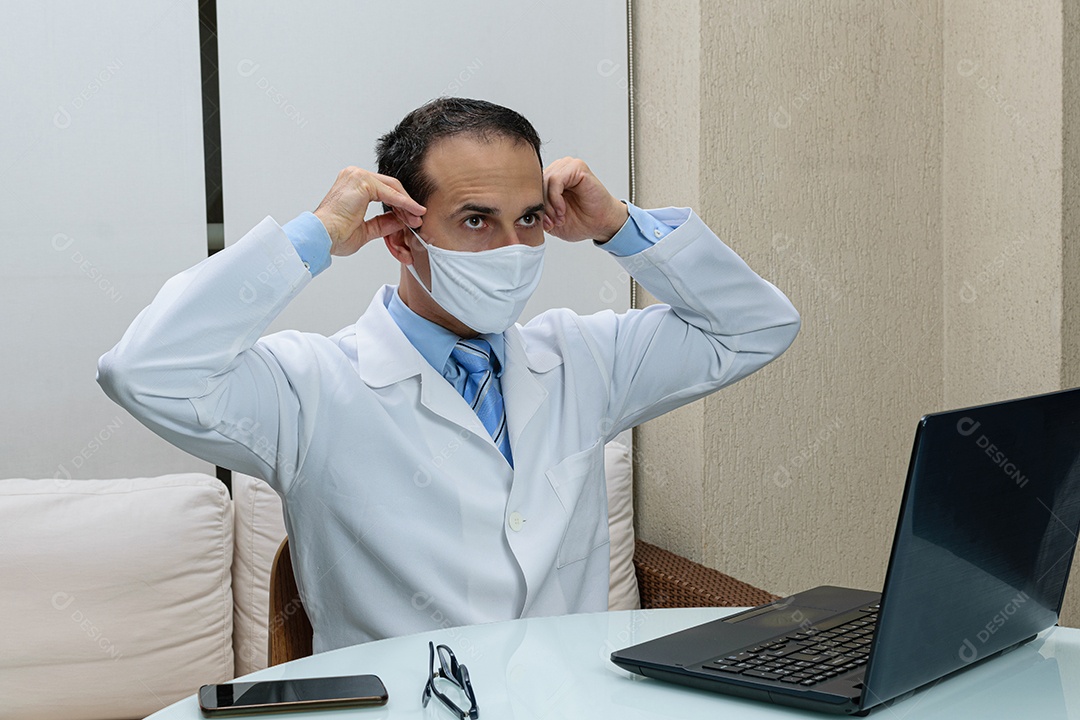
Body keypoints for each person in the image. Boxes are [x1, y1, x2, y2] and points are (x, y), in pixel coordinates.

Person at [97, 97, 800, 653]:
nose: (513, 248)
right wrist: (314, 235)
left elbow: (756, 325)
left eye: (528, 218)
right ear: (403, 237)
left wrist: (618, 225)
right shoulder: (311, 388)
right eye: (476, 221)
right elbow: (145, 372)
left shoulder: (583, 359)